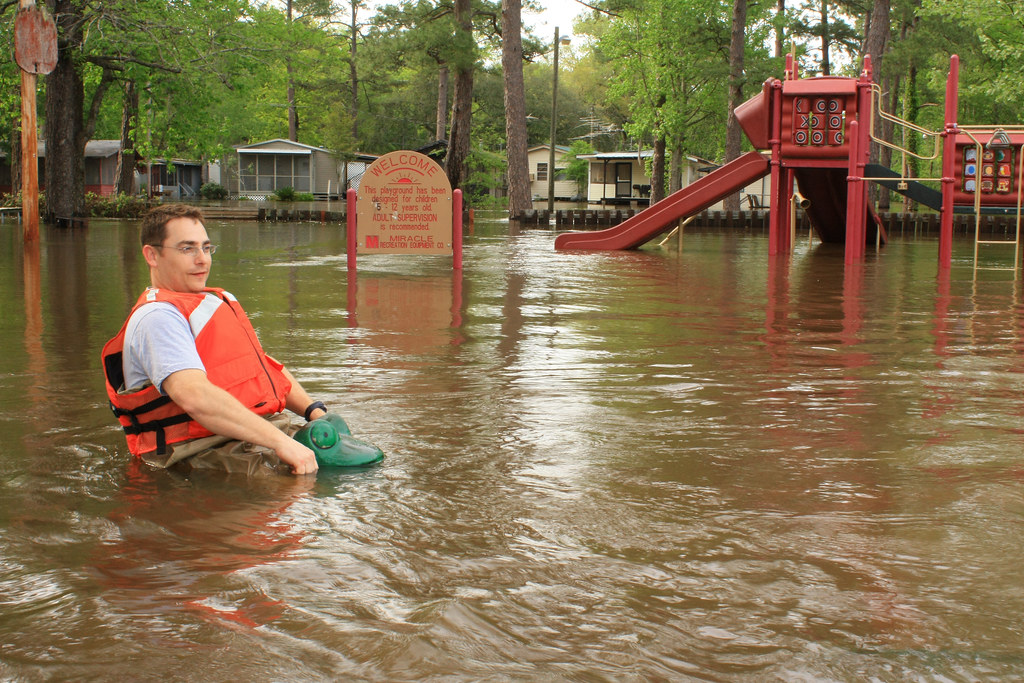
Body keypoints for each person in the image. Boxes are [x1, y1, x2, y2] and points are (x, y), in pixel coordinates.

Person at [102, 204, 323, 475]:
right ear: (152, 255)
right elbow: (194, 396)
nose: (202, 259)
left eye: (206, 248)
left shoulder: (212, 301)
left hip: (253, 435)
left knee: (351, 456)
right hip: (200, 451)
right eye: (187, 249)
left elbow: (262, 367)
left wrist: (315, 412)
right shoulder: (157, 317)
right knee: (310, 485)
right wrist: (281, 443)